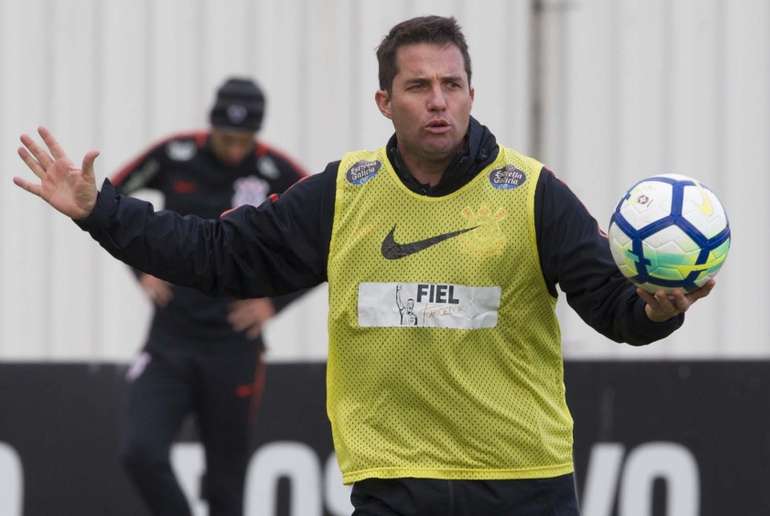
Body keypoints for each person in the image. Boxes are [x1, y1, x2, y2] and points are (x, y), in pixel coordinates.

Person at [14, 16, 714, 516]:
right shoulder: (344, 192)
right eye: (418, 87)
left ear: (472, 93)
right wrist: (100, 210)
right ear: (385, 101)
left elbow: (611, 305)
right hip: (392, 485)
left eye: (452, 84)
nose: (438, 101)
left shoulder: (531, 193)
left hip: (523, 484)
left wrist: (653, 312)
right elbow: (217, 255)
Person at [115, 77, 308, 516]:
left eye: (245, 140)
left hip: (233, 347)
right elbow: (109, 199)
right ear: (212, 126)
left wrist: (273, 303)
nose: (235, 149)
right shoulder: (175, 154)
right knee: (140, 452)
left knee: (225, 487)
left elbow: (331, 239)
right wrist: (139, 268)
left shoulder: (280, 173)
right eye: (227, 138)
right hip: (170, 340)